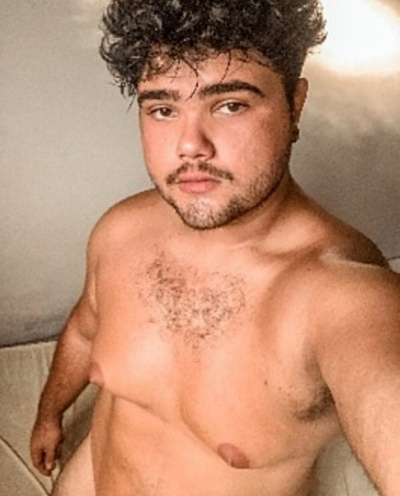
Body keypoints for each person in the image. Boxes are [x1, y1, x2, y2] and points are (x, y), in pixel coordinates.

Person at [30, 0, 400, 495]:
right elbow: (82, 331)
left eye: (230, 105)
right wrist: (49, 416)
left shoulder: (345, 295)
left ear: (295, 103)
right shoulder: (120, 231)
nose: (190, 145)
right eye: (163, 109)